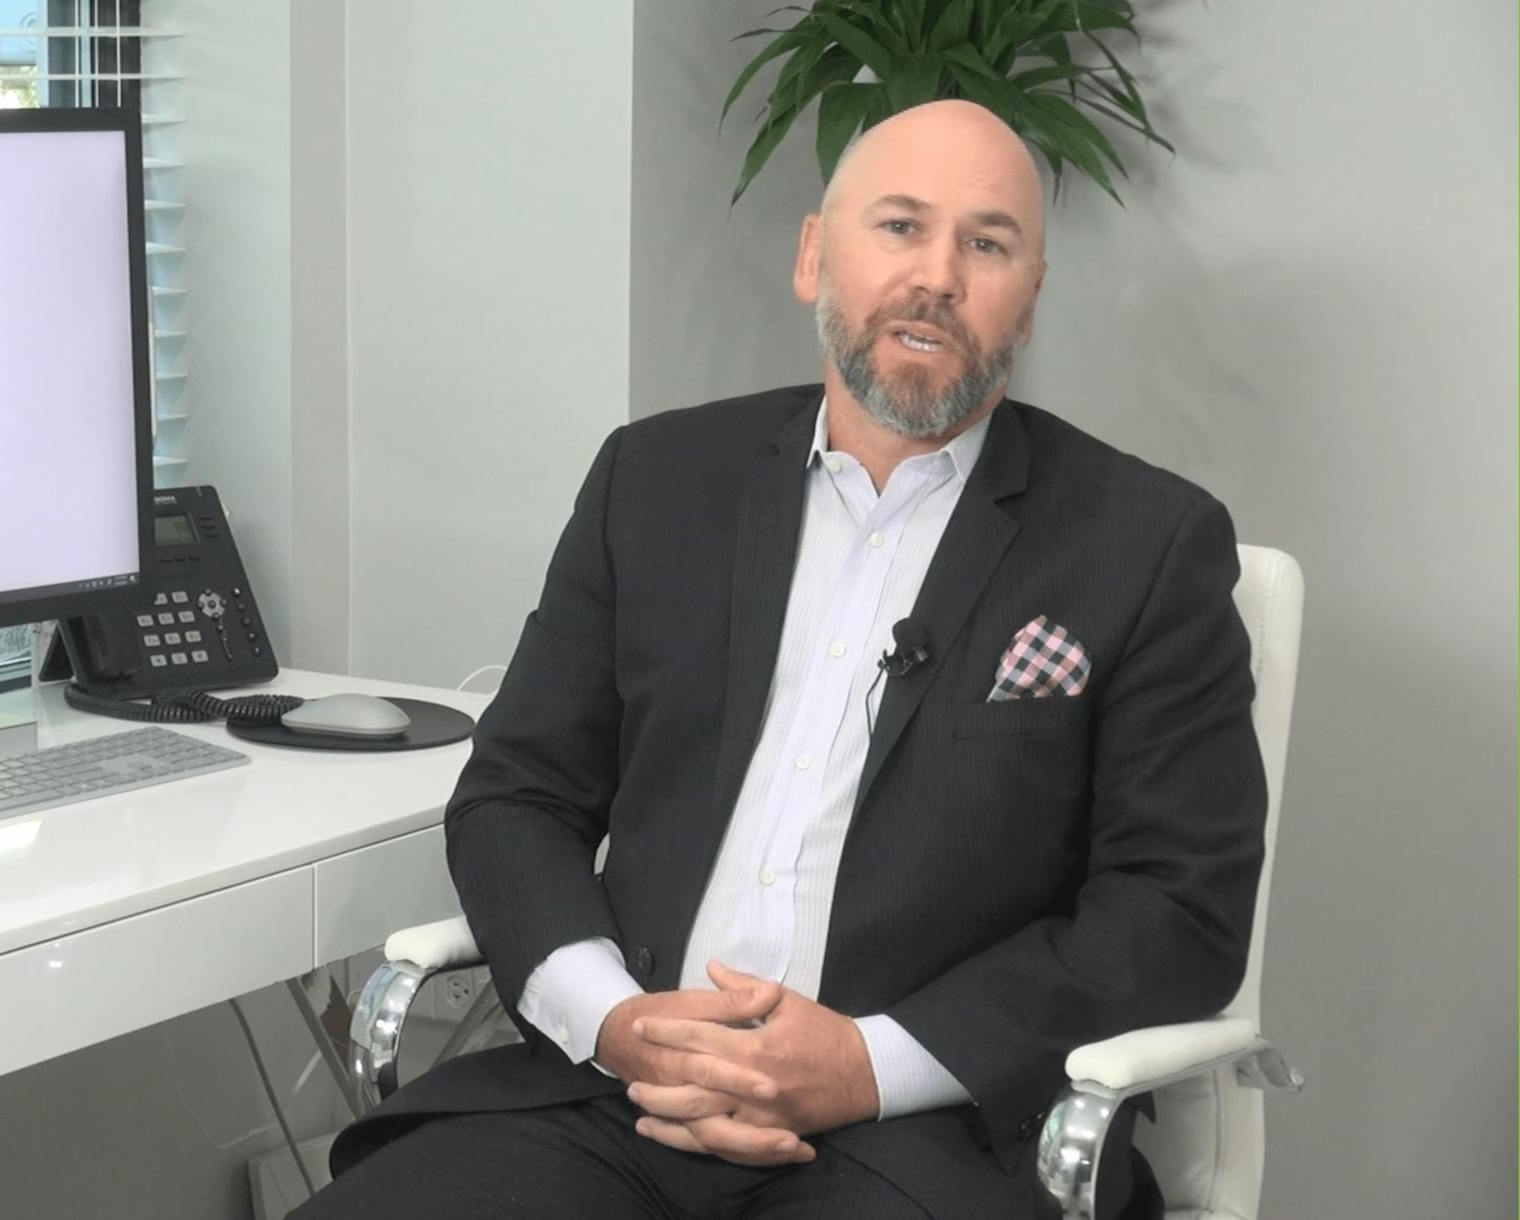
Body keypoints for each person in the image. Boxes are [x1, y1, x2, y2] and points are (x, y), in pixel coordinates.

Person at [301, 100, 1267, 1219]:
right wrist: (614, 1018)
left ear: (1031, 295)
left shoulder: (1144, 544)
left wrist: (866, 1063)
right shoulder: (655, 480)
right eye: (899, 226)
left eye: (987, 243)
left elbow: (1177, 909)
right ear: (814, 255)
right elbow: (518, 793)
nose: (938, 276)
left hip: (926, 1142)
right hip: (612, 1098)